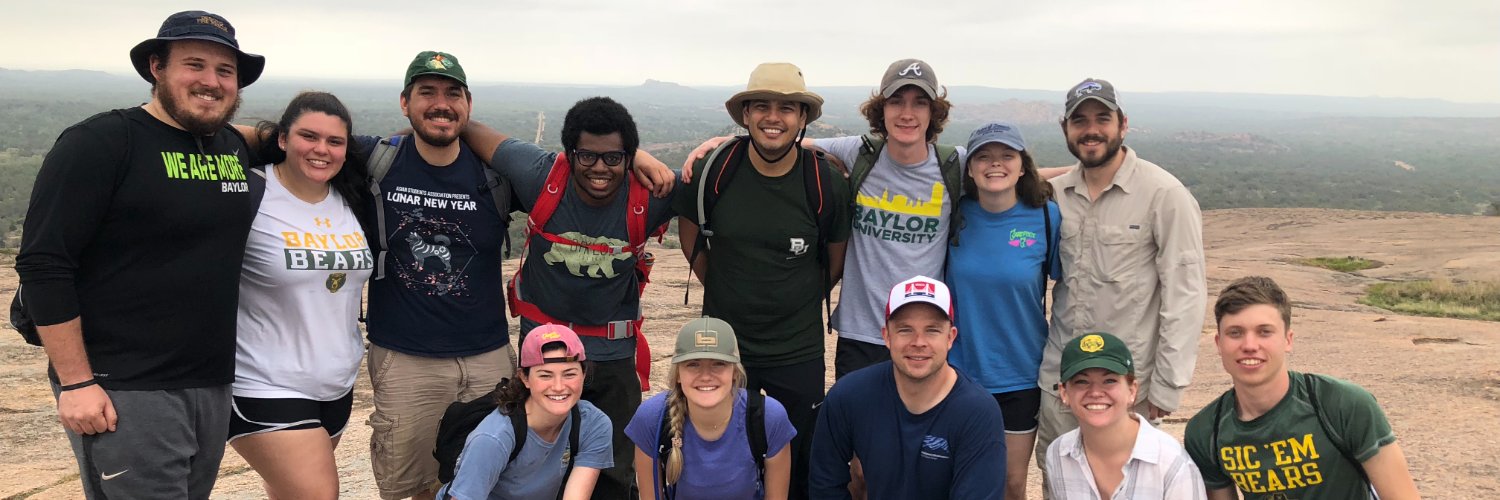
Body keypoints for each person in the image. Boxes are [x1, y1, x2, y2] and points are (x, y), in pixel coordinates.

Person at [14, 10, 262, 499]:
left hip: (210, 382)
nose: (211, 82)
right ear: (156, 67)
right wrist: (76, 383)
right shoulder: (102, 142)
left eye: (225, 71)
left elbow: (297, 143)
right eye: (195, 64)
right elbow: (44, 264)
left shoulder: (230, 147)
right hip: (124, 386)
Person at [462, 96, 679, 499]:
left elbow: (718, 177)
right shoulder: (539, 174)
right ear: (569, 153)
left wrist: (644, 157)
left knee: (614, 468)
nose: (599, 168)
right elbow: (471, 130)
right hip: (548, 353)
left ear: (628, 158)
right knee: (535, 462)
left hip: (613, 354)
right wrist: (408, 134)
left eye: (613, 158)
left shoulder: (651, 191)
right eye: (587, 156)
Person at [674, 62, 852, 499]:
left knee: (797, 455)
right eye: (763, 106)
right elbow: (691, 237)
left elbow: (835, 258)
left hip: (798, 347)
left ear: (802, 119)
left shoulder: (824, 182)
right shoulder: (715, 171)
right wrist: (727, 285)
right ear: (746, 115)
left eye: (787, 108)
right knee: (721, 453)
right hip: (725, 346)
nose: (774, 117)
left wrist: (797, 296)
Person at [1037, 78, 1208, 481]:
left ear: (1123, 124)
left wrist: (1168, 386)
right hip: (1061, 383)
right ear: (1066, 129)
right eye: (1080, 121)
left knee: (1129, 487)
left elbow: (1185, 294)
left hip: (1128, 387)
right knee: (1061, 486)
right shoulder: (1053, 194)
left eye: (1102, 118)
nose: (1091, 129)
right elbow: (996, 176)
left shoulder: (1164, 194)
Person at [229, 91, 373, 499]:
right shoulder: (248, 193)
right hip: (263, 382)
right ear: (281, 139)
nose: (321, 150)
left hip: (336, 383)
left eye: (334, 141)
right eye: (308, 137)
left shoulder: (349, 198)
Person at [1185, 277, 1421, 499]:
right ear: (1219, 343)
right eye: (1235, 333)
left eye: (1264, 332)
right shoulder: (1207, 431)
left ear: (1288, 340)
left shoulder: (1343, 405)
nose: (1249, 345)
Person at [810, 276, 1006, 499]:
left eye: (932, 330)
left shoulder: (978, 412)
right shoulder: (849, 396)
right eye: (905, 330)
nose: (919, 342)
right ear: (887, 336)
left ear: (950, 338)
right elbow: (825, 485)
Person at [946, 121, 1061, 500]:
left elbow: (1067, 284)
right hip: (957, 374)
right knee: (955, 479)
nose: (995, 164)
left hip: (1021, 375)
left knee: (1012, 484)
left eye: (1006, 156)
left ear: (1023, 165)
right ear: (970, 168)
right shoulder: (953, 213)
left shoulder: (1046, 217)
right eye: (984, 156)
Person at [626, 317, 796, 500]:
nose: (705, 376)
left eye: (718, 364)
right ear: (678, 375)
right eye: (693, 364)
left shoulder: (767, 417)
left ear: (735, 373)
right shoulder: (653, 418)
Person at [439, 324, 614, 500]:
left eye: (569, 374)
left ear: (584, 374)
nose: (559, 387)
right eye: (545, 375)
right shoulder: (494, 437)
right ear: (524, 378)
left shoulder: (593, 423)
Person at [1045, 332, 1206, 499]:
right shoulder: (1058, 455)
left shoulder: (1171, 463)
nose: (1095, 392)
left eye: (1109, 380)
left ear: (1132, 390)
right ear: (1064, 392)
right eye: (1081, 381)